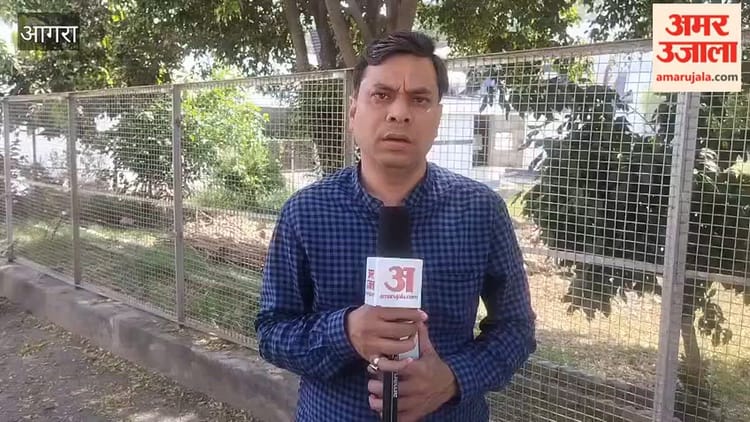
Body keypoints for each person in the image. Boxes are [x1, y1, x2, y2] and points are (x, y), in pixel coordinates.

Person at [254, 31, 536, 422]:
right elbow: (272, 331)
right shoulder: (305, 212)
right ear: (353, 112)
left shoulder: (480, 210)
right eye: (382, 95)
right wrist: (344, 333)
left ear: (437, 118)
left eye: (419, 99)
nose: (399, 113)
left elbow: (516, 327)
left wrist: (453, 378)